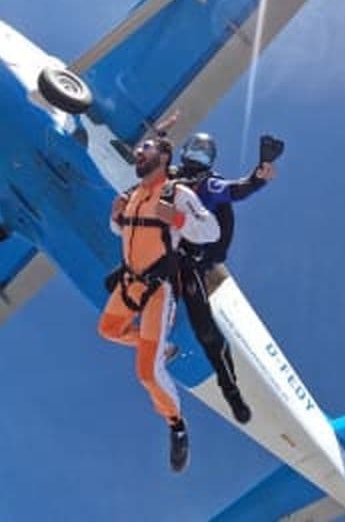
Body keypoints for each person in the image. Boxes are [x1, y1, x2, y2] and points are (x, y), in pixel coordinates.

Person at [98, 135, 219, 473]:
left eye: (146, 148)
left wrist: (177, 220)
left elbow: (210, 231)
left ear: (165, 156)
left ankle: (176, 426)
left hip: (156, 291)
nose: (138, 151)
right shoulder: (132, 196)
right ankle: (160, 348)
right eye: (138, 149)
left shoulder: (179, 195)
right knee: (107, 329)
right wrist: (116, 215)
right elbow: (119, 230)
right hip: (129, 284)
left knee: (148, 374)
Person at [172, 132, 278, 424]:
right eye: (195, 149)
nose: (198, 157)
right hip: (164, 251)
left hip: (192, 259)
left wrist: (257, 178)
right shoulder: (168, 178)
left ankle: (232, 392)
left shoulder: (207, 184)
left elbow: (234, 190)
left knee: (206, 330)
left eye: (205, 153)